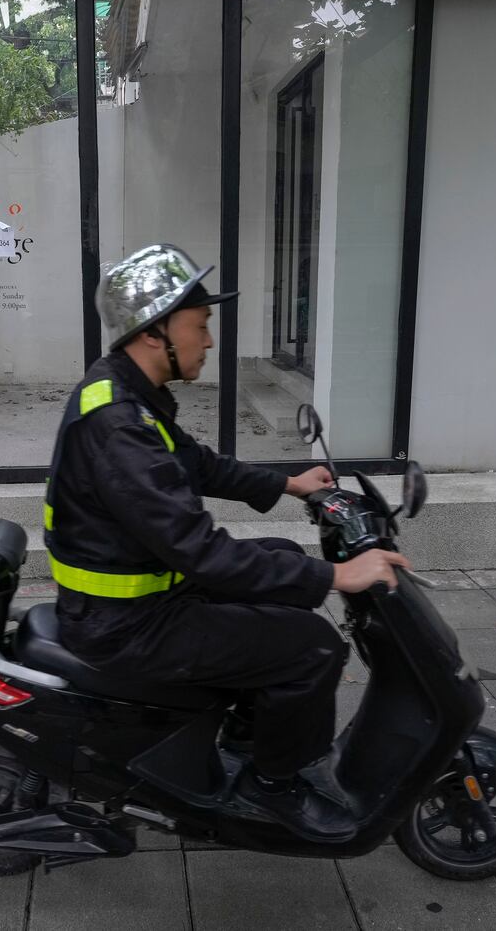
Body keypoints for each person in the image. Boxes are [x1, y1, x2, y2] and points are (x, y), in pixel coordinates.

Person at [41, 244, 410, 842]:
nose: (209, 341)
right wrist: (337, 577)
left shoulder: (125, 395)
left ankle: (245, 730)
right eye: (201, 324)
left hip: (143, 597)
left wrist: (289, 483)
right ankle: (274, 784)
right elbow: (201, 551)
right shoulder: (119, 426)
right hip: (127, 624)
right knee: (312, 648)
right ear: (156, 331)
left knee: (285, 559)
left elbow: (198, 465)